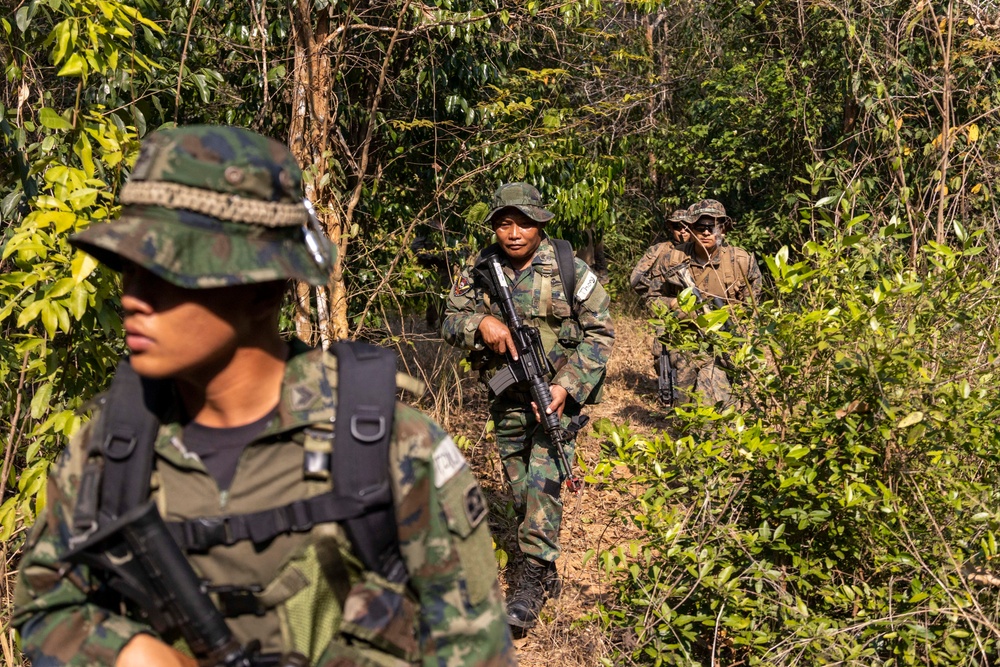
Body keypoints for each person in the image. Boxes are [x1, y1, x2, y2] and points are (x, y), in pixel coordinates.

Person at [12, 125, 516, 667]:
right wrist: (131, 653)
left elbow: (475, 650)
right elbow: (44, 604)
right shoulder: (113, 446)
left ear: (264, 287)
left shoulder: (393, 449)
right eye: (129, 269)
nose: (133, 298)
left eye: (165, 271)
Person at [441, 183, 614, 633]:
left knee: (543, 481)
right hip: (508, 396)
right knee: (521, 488)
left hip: (557, 399)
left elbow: (601, 334)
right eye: (503, 223)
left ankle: (530, 580)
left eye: (523, 223)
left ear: (540, 224)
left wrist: (567, 386)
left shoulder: (568, 269)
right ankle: (544, 568)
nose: (513, 233)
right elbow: (449, 319)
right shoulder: (479, 268)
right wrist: (481, 322)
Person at [631, 199, 761, 406]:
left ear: (723, 228)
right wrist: (674, 304)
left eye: (713, 227)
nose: (706, 232)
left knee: (723, 399)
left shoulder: (742, 261)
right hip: (685, 342)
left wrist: (744, 342)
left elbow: (753, 310)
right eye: (700, 227)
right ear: (690, 229)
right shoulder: (672, 259)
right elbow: (652, 300)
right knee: (685, 403)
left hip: (726, 342)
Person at [630, 208, 691, 404]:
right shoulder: (659, 250)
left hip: (694, 312)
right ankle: (669, 396)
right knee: (663, 356)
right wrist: (657, 296)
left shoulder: (699, 251)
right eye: (677, 227)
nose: (682, 232)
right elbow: (636, 279)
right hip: (666, 309)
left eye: (687, 227)